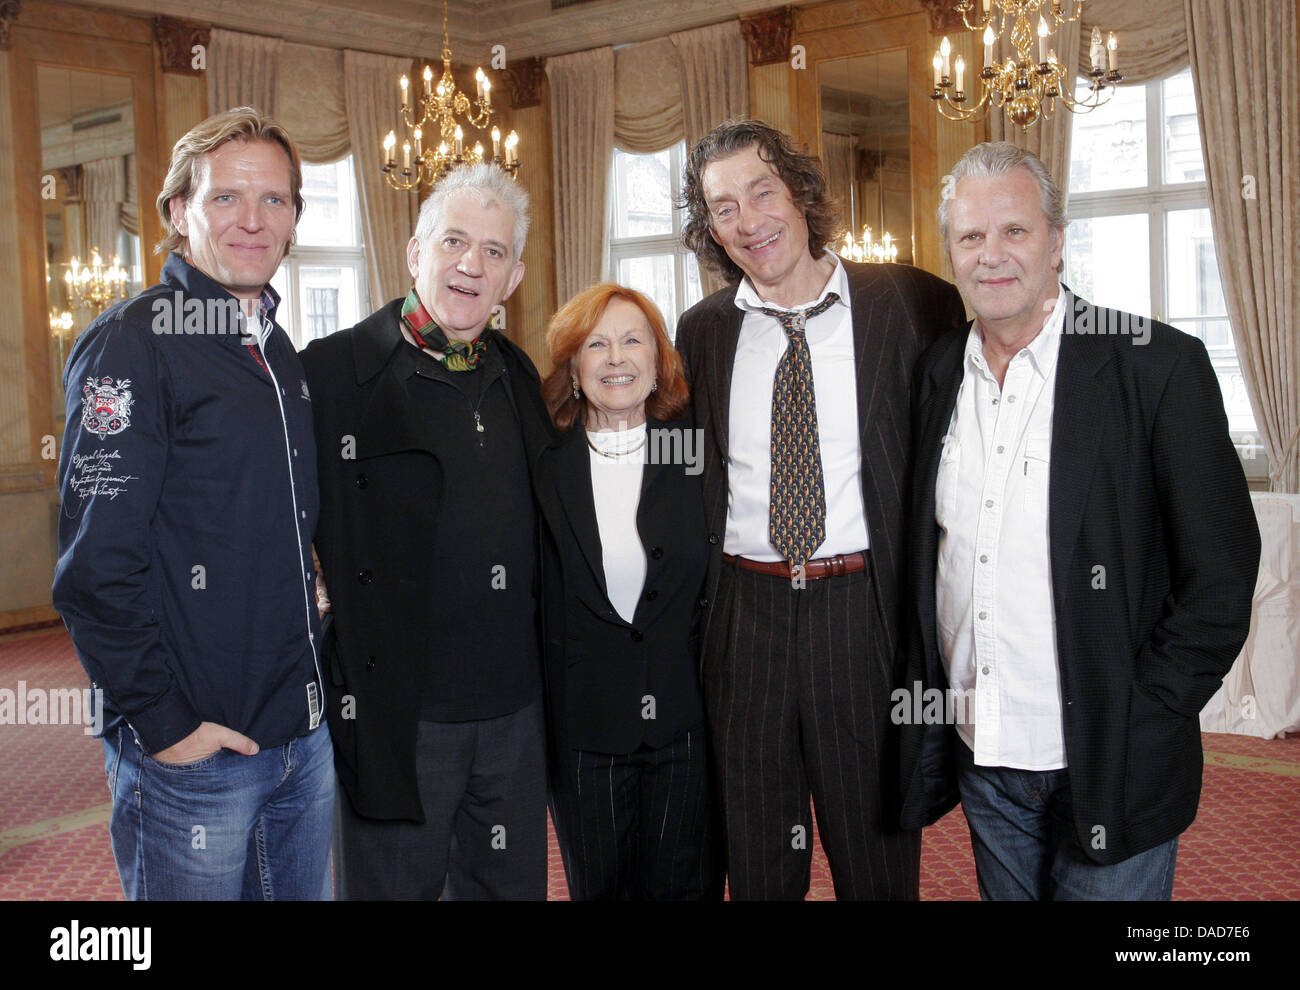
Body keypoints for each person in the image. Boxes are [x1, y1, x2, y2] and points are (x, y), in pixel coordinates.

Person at [899, 141, 1260, 900]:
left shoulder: (1156, 365)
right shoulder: (934, 376)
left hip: (1112, 754)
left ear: (1057, 240)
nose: (991, 256)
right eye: (971, 237)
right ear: (951, 252)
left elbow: (1221, 575)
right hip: (984, 757)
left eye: (1015, 231)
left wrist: (1150, 711)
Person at [674, 118, 966, 900]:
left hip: (859, 612)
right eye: (723, 206)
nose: (748, 220)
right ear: (709, 228)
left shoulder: (907, 302)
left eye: (762, 190)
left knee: (877, 865)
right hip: (744, 619)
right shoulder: (702, 333)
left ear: (801, 192)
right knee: (760, 865)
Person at [52, 106, 333, 900]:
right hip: (192, 752)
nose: (253, 220)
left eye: (275, 200)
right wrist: (163, 723)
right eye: (226, 198)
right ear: (178, 211)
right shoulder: (131, 343)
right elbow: (94, 568)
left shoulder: (276, 345)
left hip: (298, 736)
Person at [301, 163, 555, 900]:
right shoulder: (333, 373)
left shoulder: (518, 375)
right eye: (454, 241)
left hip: (514, 717)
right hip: (397, 718)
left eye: (495, 251)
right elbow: (271, 508)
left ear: (513, 279)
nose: (471, 264)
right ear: (415, 253)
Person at [536, 283, 722, 900]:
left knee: (684, 888)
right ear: (573, 365)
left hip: (684, 722)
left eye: (633, 340)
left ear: (658, 358)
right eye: (597, 344)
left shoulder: (695, 450)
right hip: (584, 729)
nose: (616, 358)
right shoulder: (543, 460)